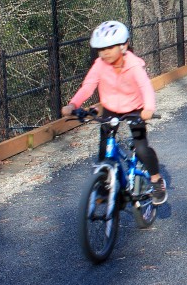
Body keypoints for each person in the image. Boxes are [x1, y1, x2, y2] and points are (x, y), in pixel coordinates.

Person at [61, 20, 167, 205]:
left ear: (124, 45)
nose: (105, 53)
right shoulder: (100, 65)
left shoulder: (133, 65)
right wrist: (73, 104)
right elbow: (88, 87)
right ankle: (105, 184)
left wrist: (148, 108)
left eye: (110, 47)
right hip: (111, 109)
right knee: (104, 149)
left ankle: (157, 180)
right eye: (101, 49)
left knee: (141, 149)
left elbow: (145, 87)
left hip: (136, 110)